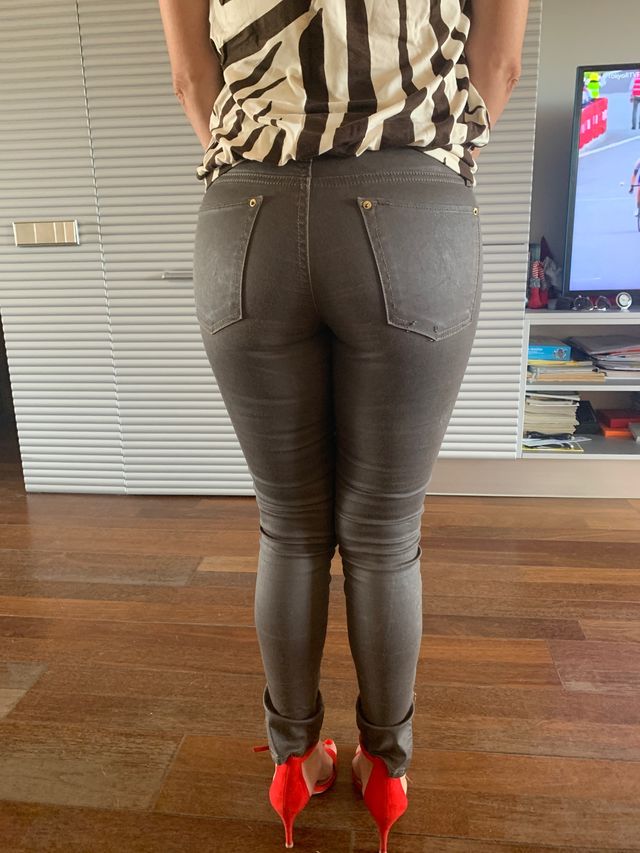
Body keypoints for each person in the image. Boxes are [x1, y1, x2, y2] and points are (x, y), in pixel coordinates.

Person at [159, 1, 528, 850]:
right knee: (385, 533)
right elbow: (500, 68)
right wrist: (427, 169)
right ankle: (385, 766)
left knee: (288, 525)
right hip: (413, 198)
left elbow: (190, 80)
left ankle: (294, 759)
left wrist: (257, 163)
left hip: (246, 212)